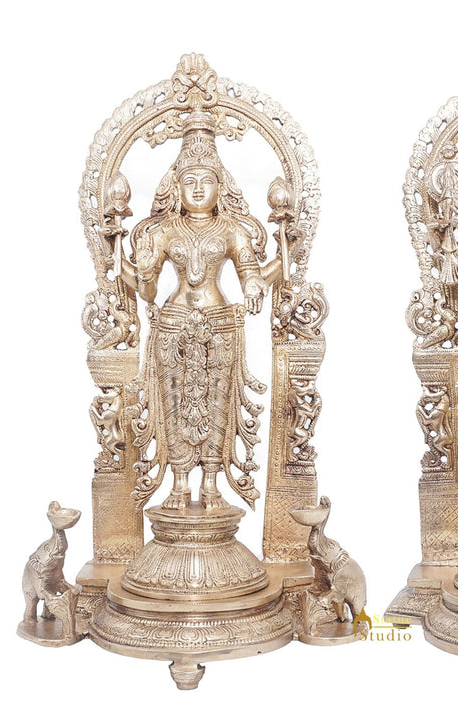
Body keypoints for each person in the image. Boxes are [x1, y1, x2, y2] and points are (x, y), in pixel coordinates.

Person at [120, 111, 285, 511]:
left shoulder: (232, 230)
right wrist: (134, 268)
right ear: (175, 187)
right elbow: (148, 291)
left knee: (217, 401)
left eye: (206, 181)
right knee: (174, 400)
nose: (197, 189)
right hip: (173, 325)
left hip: (220, 325)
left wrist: (258, 282)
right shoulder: (162, 231)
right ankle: (178, 483)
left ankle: (211, 483)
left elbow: (249, 273)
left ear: (220, 186)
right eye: (189, 181)